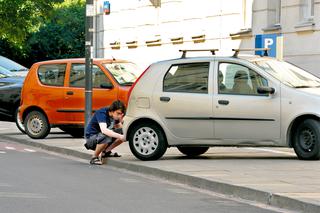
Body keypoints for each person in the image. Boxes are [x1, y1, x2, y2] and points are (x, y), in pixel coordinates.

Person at [84, 100, 126, 165]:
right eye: (118, 113)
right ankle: (94, 157)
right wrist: (120, 136)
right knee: (107, 134)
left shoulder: (114, 116)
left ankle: (106, 152)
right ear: (112, 111)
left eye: (121, 114)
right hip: (91, 139)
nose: (119, 116)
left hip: (102, 138)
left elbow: (119, 126)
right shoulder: (102, 113)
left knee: (124, 132)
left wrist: (124, 131)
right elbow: (104, 130)